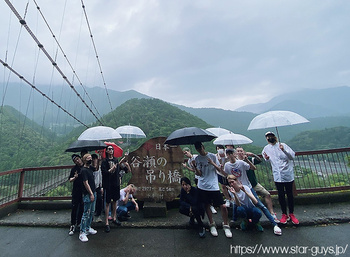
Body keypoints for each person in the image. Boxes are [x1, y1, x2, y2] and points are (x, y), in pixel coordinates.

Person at [224, 148, 282, 235]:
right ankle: (238, 220)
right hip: (236, 188)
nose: (230, 155)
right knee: (237, 205)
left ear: (234, 154)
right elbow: (226, 175)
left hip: (247, 187)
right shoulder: (227, 165)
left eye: (231, 153)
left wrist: (247, 159)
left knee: (260, 205)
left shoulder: (241, 162)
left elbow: (253, 167)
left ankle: (274, 224)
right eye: (228, 154)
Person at [192, 142, 232, 238]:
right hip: (202, 185)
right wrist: (194, 167)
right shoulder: (197, 159)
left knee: (222, 206)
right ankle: (211, 224)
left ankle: (226, 225)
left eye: (200, 147)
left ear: (203, 147)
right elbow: (199, 174)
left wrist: (212, 163)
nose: (199, 149)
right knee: (207, 205)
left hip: (213, 185)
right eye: (197, 148)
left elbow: (219, 170)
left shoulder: (212, 156)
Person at [262, 131, 299, 225]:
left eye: (271, 136)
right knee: (281, 195)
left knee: (290, 194)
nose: (269, 138)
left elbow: (292, 157)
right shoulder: (266, 148)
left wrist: (284, 150)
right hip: (277, 176)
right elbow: (266, 158)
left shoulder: (283, 145)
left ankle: (291, 213)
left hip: (287, 174)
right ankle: (284, 214)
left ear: (275, 137)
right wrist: (266, 158)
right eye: (268, 137)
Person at [235, 146, 279, 223]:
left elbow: (259, 160)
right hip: (243, 186)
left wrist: (253, 155)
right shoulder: (235, 162)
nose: (240, 152)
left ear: (244, 152)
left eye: (241, 151)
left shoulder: (249, 160)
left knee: (267, 194)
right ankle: (244, 218)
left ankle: (272, 213)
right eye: (238, 151)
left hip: (254, 183)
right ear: (235, 153)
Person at [101, 145, 129, 232]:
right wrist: (110, 170)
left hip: (115, 184)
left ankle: (114, 218)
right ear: (106, 151)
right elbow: (104, 173)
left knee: (115, 201)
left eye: (112, 149)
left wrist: (124, 161)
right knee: (107, 203)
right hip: (108, 185)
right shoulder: (104, 162)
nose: (111, 150)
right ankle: (106, 222)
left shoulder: (116, 160)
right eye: (109, 149)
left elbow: (119, 169)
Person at [183, 147, 217, 214]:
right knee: (201, 193)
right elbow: (194, 170)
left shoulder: (197, 157)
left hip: (204, 177)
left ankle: (211, 205)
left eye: (186, 152)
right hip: (197, 177)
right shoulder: (189, 161)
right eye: (185, 154)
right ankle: (205, 205)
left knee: (208, 192)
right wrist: (187, 167)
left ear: (189, 151)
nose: (186, 154)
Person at [79, 154, 97, 242]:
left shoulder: (90, 168)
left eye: (91, 157)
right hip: (88, 194)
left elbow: (96, 167)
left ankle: (87, 228)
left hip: (93, 192)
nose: (90, 159)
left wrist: (96, 160)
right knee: (86, 213)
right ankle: (82, 232)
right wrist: (91, 194)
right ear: (84, 160)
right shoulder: (83, 170)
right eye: (88, 158)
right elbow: (86, 183)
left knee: (92, 212)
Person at [68, 154, 84, 236]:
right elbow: (70, 179)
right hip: (76, 191)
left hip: (84, 191)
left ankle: (79, 223)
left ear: (80, 158)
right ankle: (72, 224)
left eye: (77, 159)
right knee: (74, 207)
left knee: (82, 207)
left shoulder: (85, 167)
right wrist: (75, 177)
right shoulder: (74, 169)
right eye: (75, 161)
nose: (77, 161)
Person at [91, 153, 103, 223]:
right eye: (93, 159)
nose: (94, 160)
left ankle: (98, 215)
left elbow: (100, 177)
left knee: (99, 201)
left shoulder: (99, 167)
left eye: (95, 159)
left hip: (98, 187)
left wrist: (101, 187)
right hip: (92, 188)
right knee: (92, 203)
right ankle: (91, 217)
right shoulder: (90, 168)